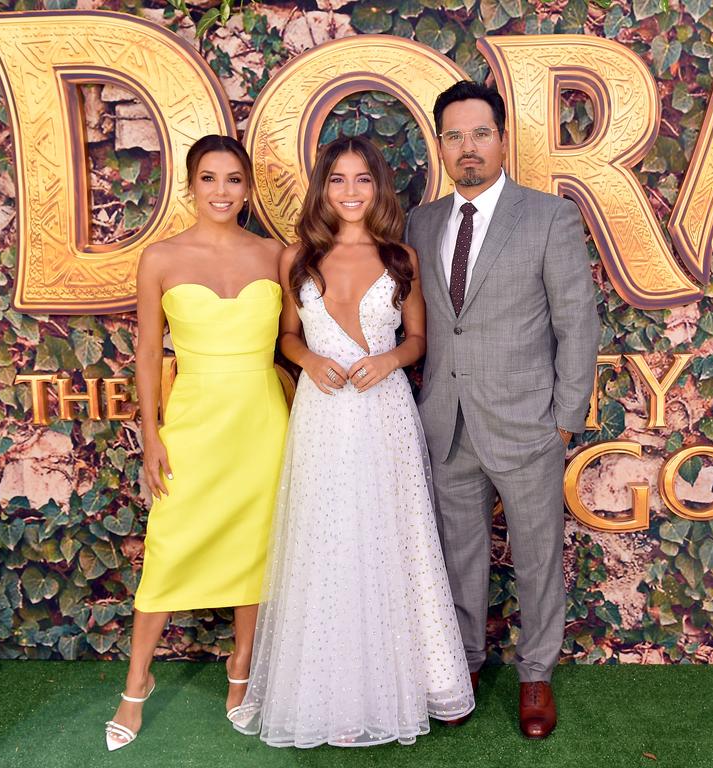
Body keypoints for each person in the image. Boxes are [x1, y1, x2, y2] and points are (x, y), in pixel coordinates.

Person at [230, 136, 474, 747]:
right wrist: (307, 359)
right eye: (338, 180)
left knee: (391, 535)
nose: (350, 192)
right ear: (323, 188)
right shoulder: (297, 258)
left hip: (382, 412)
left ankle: (419, 683)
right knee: (325, 539)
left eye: (362, 180)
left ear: (379, 187)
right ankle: (326, 693)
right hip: (321, 413)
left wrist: (389, 359)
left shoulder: (402, 259)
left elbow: (419, 340)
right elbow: (286, 336)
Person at [404, 81, 599, 739]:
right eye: (454, 136)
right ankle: (462, 664)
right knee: (458, 552)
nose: (468, 148)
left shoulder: (547, 216)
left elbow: (577, 322)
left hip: (528, 423)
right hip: (447, 419)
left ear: (502, 136)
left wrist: (565, 418)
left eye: (479, 134)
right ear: (442, 143)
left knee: (539, 554)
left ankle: (537, 673)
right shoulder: (421, 222)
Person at [104, 135, 287, 751]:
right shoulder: (161, 257)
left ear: (248, 189)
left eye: (234, 180)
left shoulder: (275, 255)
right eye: (209, 178)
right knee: (169, 546)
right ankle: (136, 685)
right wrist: (150, 433)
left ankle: (240, 676)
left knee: (254, 551)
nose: (221, 191)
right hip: (194, 420)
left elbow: (295, 339)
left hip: (263, 423)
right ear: (190, 185)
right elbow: (148, 354)